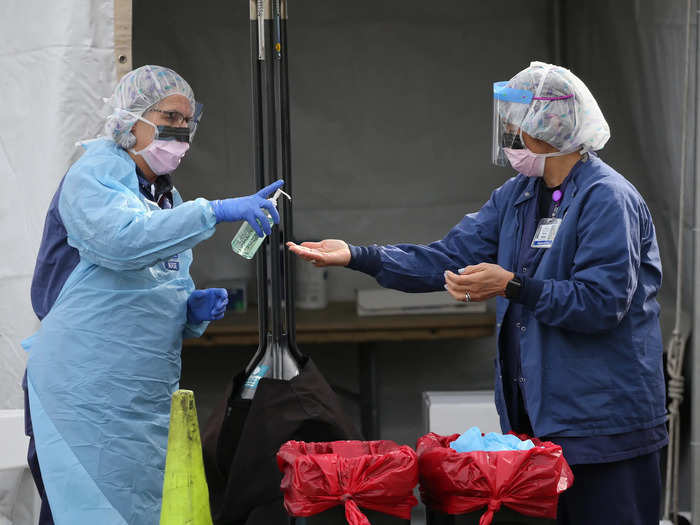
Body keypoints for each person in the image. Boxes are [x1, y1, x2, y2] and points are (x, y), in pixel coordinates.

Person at [288, 61, 667, 525]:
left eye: (515, 121)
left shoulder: (608, 199)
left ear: (547, 125)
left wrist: (511, 285)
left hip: (604, 428)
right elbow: (445, 258)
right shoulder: (517, 196)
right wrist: (357, 255)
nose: (507, 131)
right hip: (537, 429)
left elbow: (601, 304)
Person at [23, 65, 283, 525]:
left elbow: (152, 281)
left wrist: (189, 309)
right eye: (170, 116)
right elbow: (122, 242)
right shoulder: (95, 175)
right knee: (80, 508)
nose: (181, 129)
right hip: (81, 393)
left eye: (188, 120)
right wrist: (216, 210)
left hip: (134, 395)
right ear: (130, 117)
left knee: (134, 510)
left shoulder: (165, 197)